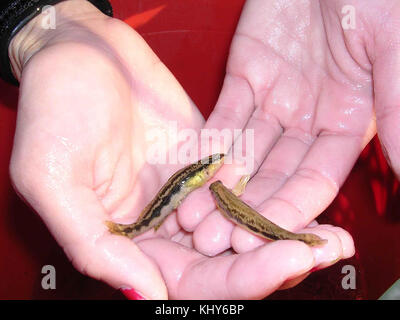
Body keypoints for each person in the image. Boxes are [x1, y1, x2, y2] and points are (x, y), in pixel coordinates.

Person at [2, 0, 398, 299]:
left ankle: (289, 240)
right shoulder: (207, 185)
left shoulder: (215, 185)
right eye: (207, 173)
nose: (211, 175)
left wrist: (48, 23)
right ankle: (139, 227)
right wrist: (52, 25)